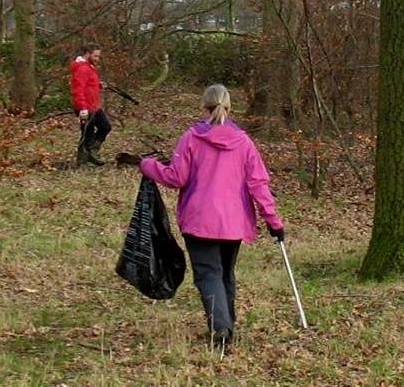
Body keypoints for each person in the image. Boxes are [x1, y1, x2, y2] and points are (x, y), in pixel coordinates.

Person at [116, 85, 285, 352]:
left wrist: (146, 165)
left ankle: (221, 328)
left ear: (204, 106)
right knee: (225, 274)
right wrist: (274, 222)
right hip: (233, 223)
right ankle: (227, 325)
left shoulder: (192, 137)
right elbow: (259, 185)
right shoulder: (244, 142)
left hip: (200, 220)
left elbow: (176, 177)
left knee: (209, 274)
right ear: (229, 107)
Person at [70, 43, 112, 167]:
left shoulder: (88, 67)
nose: (97, 59)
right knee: (87, 134)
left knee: (105, 127)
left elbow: (87, 84)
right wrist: (82, 108)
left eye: (98, 56)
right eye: (95, 56)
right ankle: (83, 161)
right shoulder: (82, 68)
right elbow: (78, 90)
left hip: (94, 106)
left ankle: (92, 153)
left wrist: (98, 84)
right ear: (87, 53)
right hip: (86, 107)